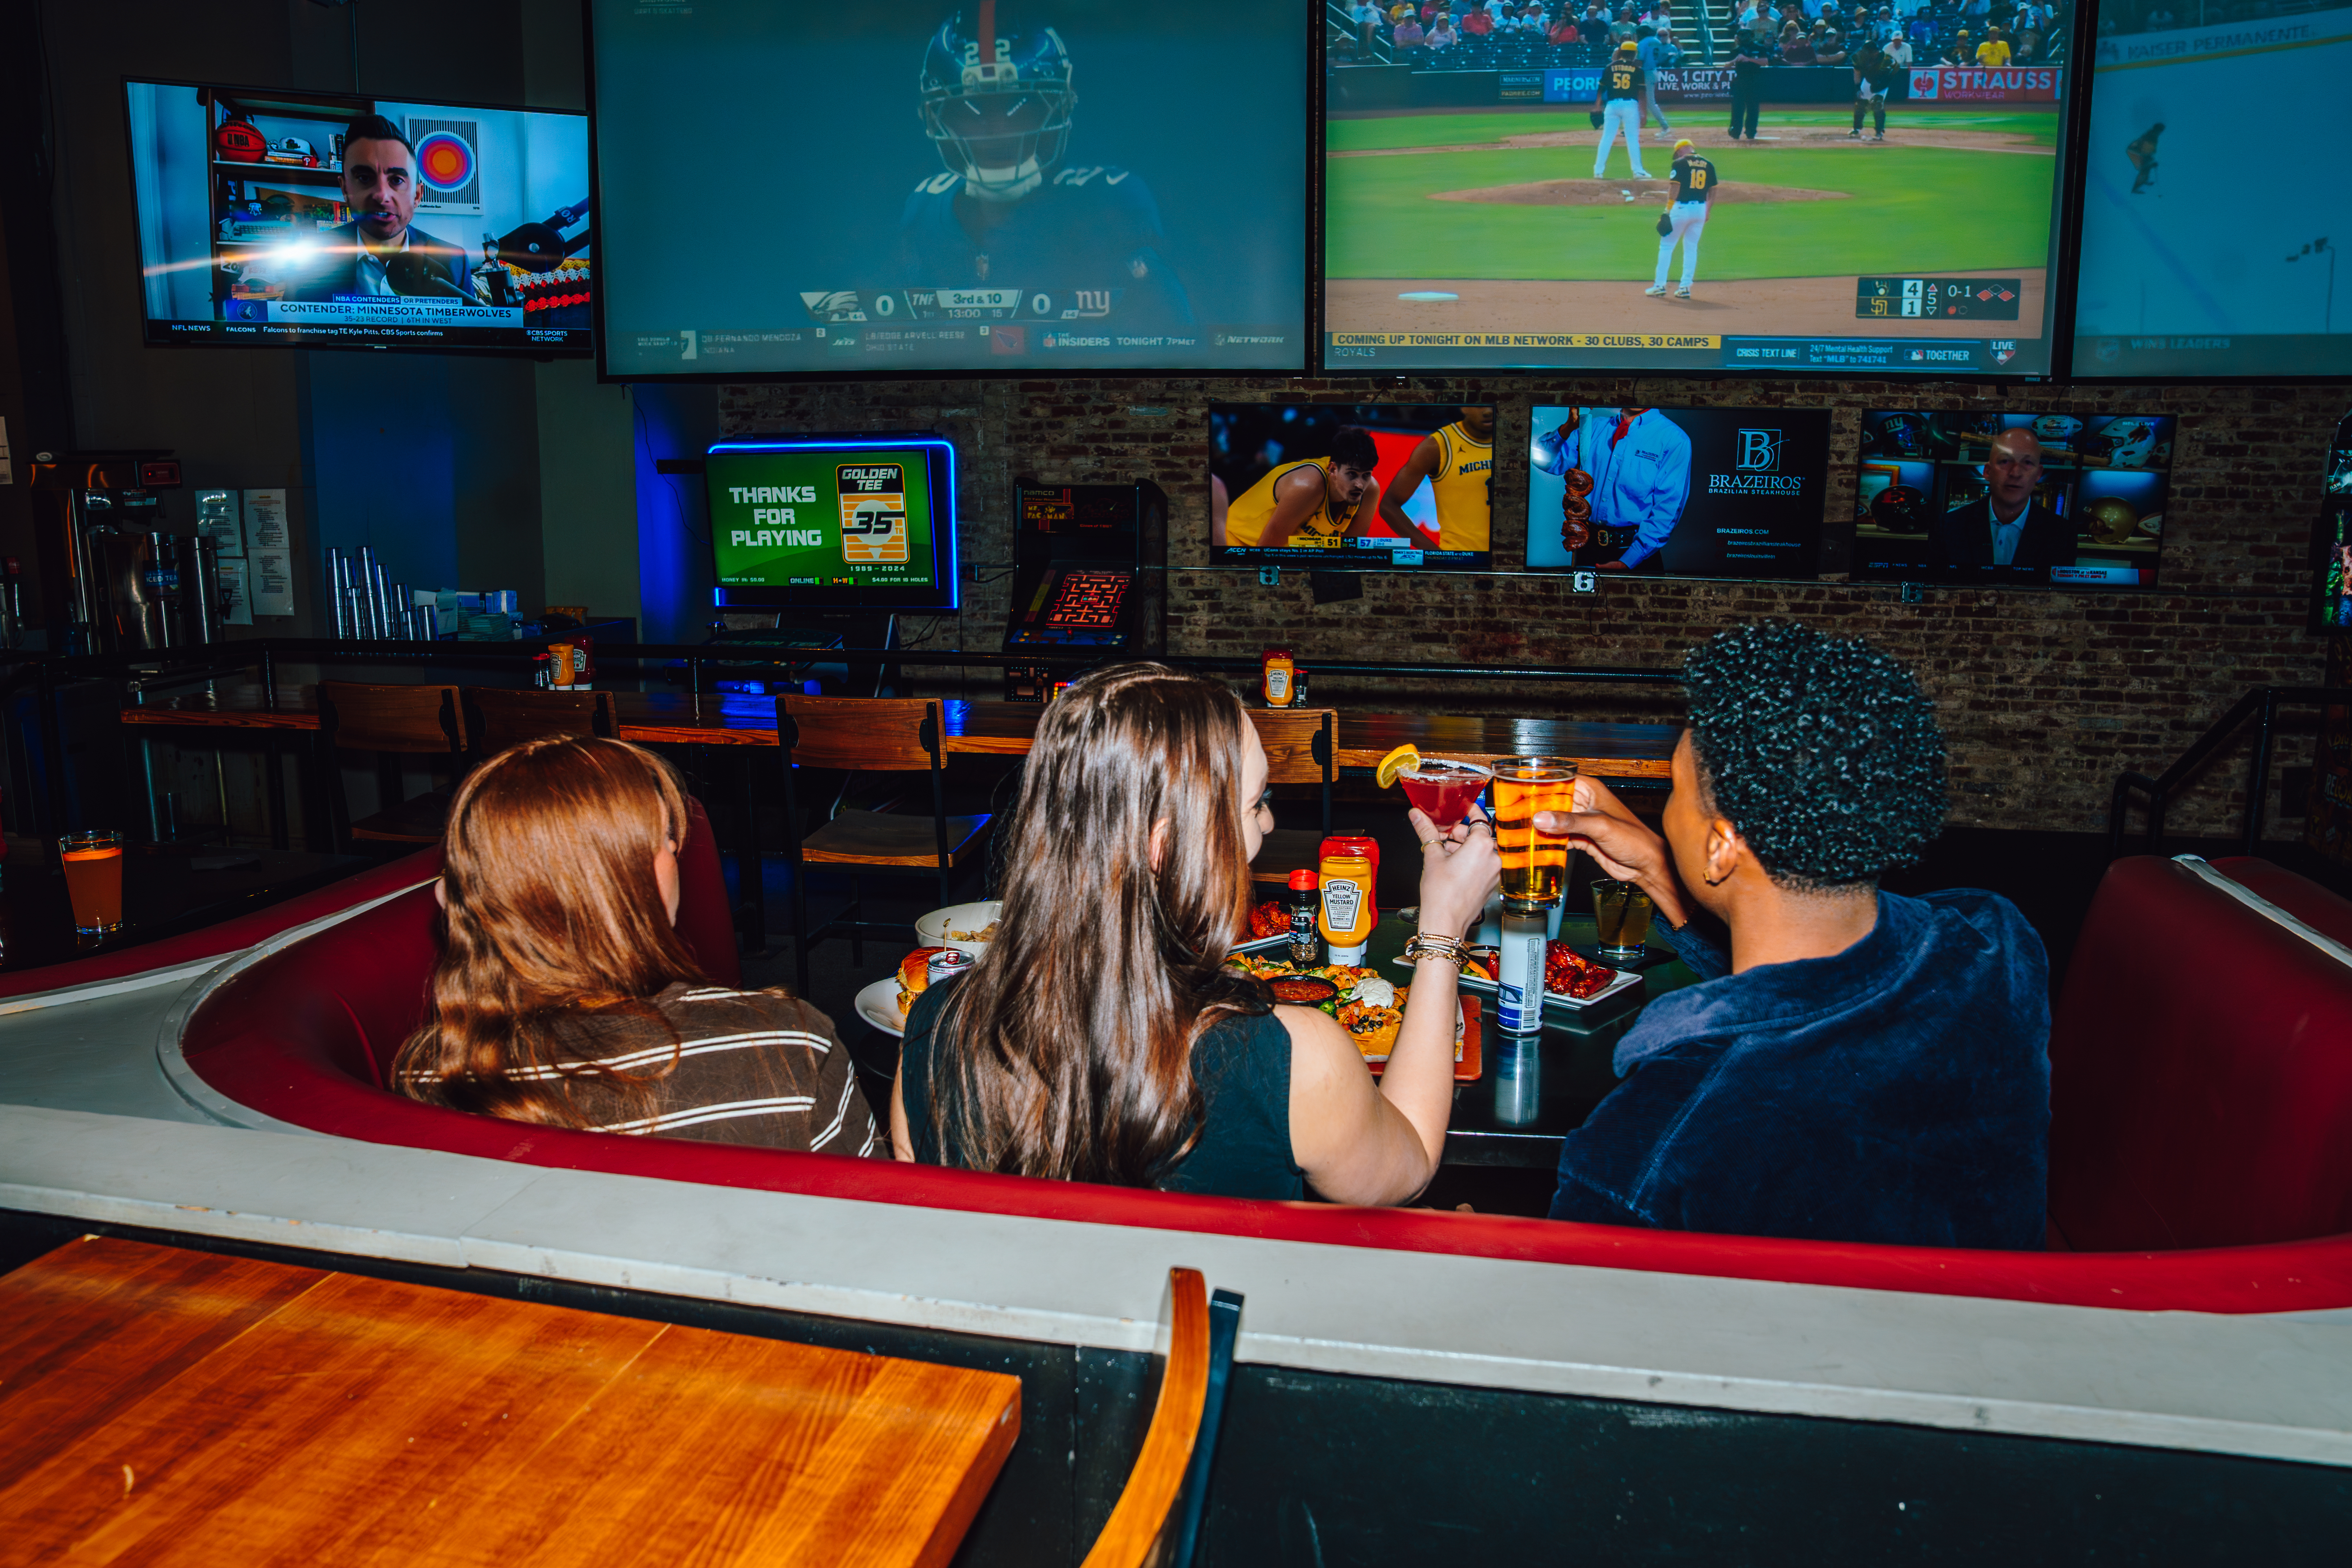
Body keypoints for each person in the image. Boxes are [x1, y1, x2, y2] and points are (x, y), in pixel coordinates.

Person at [892, 664, 1501, 1204]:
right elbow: (1410, 1161)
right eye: (1254, 802)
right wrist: (1443, 925)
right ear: (1164, 845)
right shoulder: (1290, 1057)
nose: (1266, 823)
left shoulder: (933, 1026)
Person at [1539, 622, 2051, 1249]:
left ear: (1722, 843)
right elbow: (1812, 984)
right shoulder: (1997, 944)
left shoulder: (1661, 1138)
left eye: (1673, 789)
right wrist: (1661, 869)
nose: (1665, 809)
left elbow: (1561, 1318)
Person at [394, 737, 881, 1156]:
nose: (675, 851)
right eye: (665, 838)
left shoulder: (432, 1075)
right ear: (633, 877)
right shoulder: (787, 1044)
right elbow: (875, 1223)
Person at [895, 13, 1193, 332]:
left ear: (1060, 106)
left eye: (1018, 104)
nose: (996, 128)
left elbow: (1171, 342)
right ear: (937, 117)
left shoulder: (1107, 204)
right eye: (973, 106)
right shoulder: (924, 207)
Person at [287, 115, 475, 304]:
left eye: (397, 180)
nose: (382, 195)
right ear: (345, 189)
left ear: (417, 195)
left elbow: (471, 333)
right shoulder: (311, 259)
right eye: (364, 178)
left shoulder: (454, 261)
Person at [1534, 407, 1692, 569]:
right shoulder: (1593, 428)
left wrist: (1628, 561)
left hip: (1636, 557)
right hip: (1588, 550)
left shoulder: (1674, 439)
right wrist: (1568, 428)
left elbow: (1668, 511)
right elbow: (1543, 461)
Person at [1928, 427, 2077, 570]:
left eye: (2027, 463)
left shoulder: (2063, 534)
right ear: (1988, 472)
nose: (2016, 473)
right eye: (2005, 461)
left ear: (2038, 474)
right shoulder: (1948, 527)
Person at [1217, 425, 1381, 549]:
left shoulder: (1370, 490)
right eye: (1352, 474)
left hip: (1287, 554)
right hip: (1238, 546)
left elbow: (1350, 551)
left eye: (1366, 475)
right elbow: (1268, 552)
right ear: (1333, 469)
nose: (1359, 484)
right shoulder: (1308, 487)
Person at [1377, 406, 1495, 552]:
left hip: (1510, 563)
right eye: (1480, 405)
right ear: (1464, 408)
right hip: (1462, 560)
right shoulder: (1438, 445)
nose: (1488, 411)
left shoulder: (1516, 441)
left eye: (1492, 404)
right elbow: (1388, 505)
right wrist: (1436, 554)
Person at [1645, 139, 1715, 299]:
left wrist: (1667, 211)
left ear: (1682, 150)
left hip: (1682, 209)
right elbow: (1713, 191)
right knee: (1691, 248)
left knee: (1667, 246)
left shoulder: (1680, 164)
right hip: (1700, 210)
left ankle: (1660, 285)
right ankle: (1685, 288)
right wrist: (1707, 210)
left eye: (1677, 153)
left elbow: (1674, 188)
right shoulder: (1708, 164)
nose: (1677, 156)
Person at [1592, 40, 1654, 179]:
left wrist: (1597, 106)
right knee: (1632, 139)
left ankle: (1598, 171)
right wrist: (1643, 113)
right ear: (1634, 54)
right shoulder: (1638, 70)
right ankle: (1638, 171)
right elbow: (1642, 94)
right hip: (1630, 106)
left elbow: (1601, 89)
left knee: (1607, 138)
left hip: (1612, 106)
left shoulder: (1609, 67)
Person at [1851, 39, 1897, 138]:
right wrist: (1858, 89)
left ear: (1875, 52)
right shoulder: (1859, 58)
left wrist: (1878, 88)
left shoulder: (1885, 60)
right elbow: (1857, 73)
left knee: (1878, 104)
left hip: (1882, 84)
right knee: (1860, 104)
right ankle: (1857, 129)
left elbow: (1892, 74)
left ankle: (1879, 131)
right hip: (1868, 82)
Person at [1728, 29, 1769, 138]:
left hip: (1754, 81)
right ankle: (1736, 130)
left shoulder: (1759, 48)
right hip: (1740, 81)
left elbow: (1765, 62)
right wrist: (1736, 60)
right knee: (1737, 107)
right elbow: (1726, 65)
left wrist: (1749, 59)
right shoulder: (1737, 50)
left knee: (1753, 107)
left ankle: (1751, 131)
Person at [2127, 121, 2163, 193]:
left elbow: (2151, 151)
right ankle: (2136, 188)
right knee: (2145, 169)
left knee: (2147, 168)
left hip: (2142, 155)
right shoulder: (2150, 136)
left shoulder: (2154, 137)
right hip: (2136, 153)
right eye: (2159, 131)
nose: (2159, 133)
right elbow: (2142, 148)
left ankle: (2143, 182)